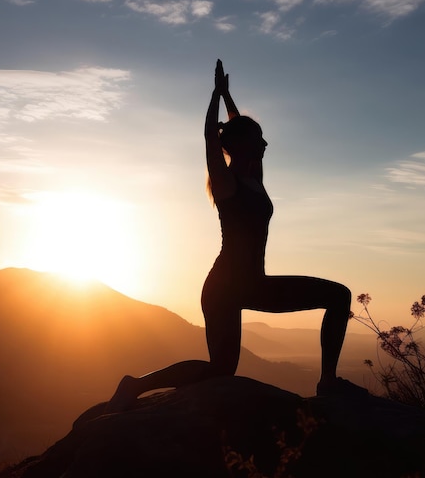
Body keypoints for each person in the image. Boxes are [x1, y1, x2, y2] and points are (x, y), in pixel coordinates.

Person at [107, 60, 366, 412]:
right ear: (242, 146)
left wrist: (229, 96)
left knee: (339, 296)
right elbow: (212, 141)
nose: (266, 143)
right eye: (259, 139)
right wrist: (214, 96)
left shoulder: (253, 177)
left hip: (252, 283)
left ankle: (328, 382)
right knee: (221, 370)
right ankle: (136, 385)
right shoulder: (226, 184)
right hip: (225, 289)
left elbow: (233, 130)